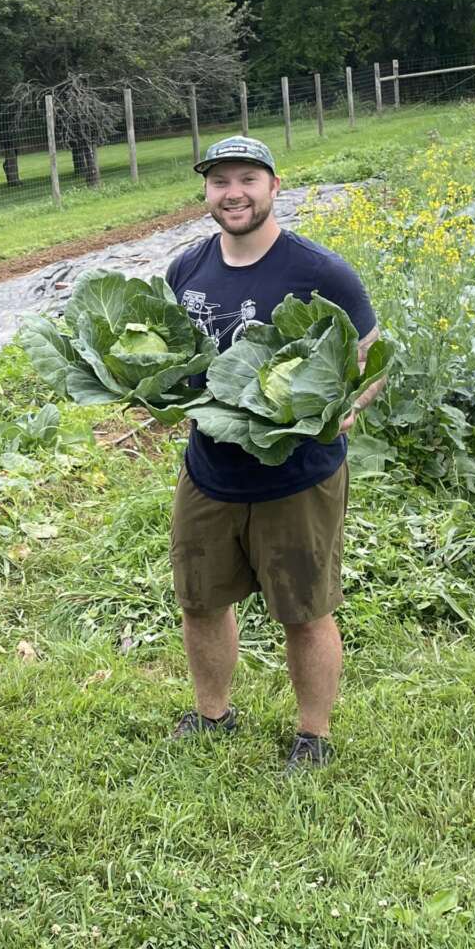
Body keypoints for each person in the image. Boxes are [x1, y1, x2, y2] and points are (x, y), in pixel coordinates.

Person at [164, 136, 382, 770]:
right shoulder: (187, 270)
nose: (233, 193)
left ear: (273, 187)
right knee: (200, 600)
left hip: (297, 475)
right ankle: (213, 714)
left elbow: (372, 360)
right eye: (219, 181)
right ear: (206, 192)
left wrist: (348, 407)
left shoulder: (318, 271)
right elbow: (182, 364)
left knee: (305, 610)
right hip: (209, 471)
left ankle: (313, 734)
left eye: (247, 180)